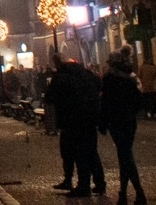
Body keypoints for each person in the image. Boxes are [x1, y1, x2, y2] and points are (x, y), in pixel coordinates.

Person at [45, 55, 104, 197]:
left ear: (57, 64)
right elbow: (99, 85)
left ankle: (83, 186)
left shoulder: (60, 77)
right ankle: (100, 183)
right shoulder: (86, 73)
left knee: (77, 152)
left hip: (71, 119)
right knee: (91, 152)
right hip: (90, 117)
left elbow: (50, 97)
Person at [100, 54, 147, 205]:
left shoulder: (109, 80)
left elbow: (105, 103)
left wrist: (102, 123)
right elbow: (139, 102)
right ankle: (125, 193)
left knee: (125, 156)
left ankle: (137, 193)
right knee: (125, 155)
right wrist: (130, 112)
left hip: (116, 121)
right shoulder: (129, 78)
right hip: (129, 121)